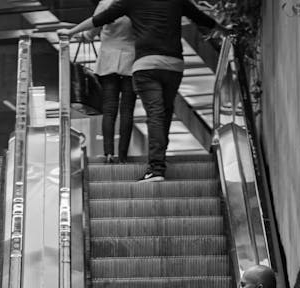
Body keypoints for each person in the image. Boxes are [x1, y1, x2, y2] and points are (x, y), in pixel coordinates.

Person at [66, 0, 222, 182]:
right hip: (151, 62)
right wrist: (224, 30)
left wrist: (72, 33)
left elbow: (97, 22)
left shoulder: (123, 2)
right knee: (138, 111)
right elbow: (200, 18)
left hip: (131, 63)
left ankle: (120, 157)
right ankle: (129, 157)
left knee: (114, 109)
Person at [91, 0, 136, 163]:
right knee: (127, 111)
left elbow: (91, 31)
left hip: (108, 62)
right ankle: (123, 155)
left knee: (109, 109)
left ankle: (108, 153)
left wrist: (80, 34)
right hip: (131, 61)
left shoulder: (106, 4)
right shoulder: (137, 5)